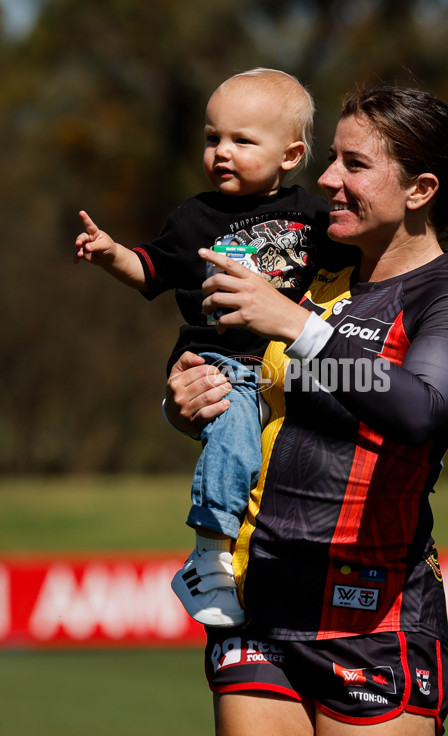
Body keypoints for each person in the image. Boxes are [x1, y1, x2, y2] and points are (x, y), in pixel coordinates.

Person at [164, 85, 448, 736]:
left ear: (421, 189)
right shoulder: (305, 265)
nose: (326, 179)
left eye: (354, 164)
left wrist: (296, 325)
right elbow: (221, 365)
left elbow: (419, 407)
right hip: (257, 604)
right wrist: (185, 399)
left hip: (373, 617)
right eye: (331, 158)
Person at [74, 68, 350, 628]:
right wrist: (111, 255)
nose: (222, 151)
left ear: (292, 154)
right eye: (212, 138)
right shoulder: (194, 216)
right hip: (219, 361)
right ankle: (207, 556)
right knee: (236, 428)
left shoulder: (316, 218)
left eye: (242, 141)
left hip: (286, 366)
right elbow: (150, 270)